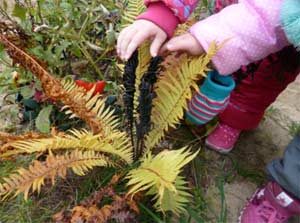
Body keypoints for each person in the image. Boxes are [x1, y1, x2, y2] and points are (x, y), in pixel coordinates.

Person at [117, 0, 300, 222]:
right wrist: (164, 12)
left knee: (252, 94)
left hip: (276, 59)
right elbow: (267, 14)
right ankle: (198, 102)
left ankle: (233, 123)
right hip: (239, 24)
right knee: (215, 74)